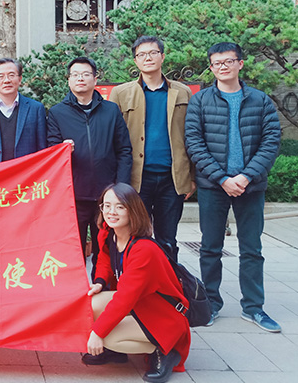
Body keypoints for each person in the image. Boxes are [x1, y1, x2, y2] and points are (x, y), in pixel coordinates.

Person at [185, 42, 282, 332]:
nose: (223, 67)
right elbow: (194, 143)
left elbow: (271, 141)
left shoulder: (260, 100)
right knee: (210, 248)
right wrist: (222, 178)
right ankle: (211, 304)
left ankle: (253, 307)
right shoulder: (200, 101)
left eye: (228, 61)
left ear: (240, 63)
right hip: (213, 186)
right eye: (217, 63)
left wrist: (246, 176)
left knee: (252, 248)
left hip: (250, 187)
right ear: (211, 67)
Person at [84, 183, 190, 383]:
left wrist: (97, 333)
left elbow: (124, 299)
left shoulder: (144, 250)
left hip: (162, 314)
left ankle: (165, 349)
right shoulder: (109, 232)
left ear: (132, 210)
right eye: (106, 205)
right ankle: (117, 353)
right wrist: (99, 282)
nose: (111, 212)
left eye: (119, 206)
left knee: (108, 337)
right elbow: (104, 259)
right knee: (91, 304)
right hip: (140, 304)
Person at [109, 36, 195, 261]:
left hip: (172, 179)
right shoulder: (121, 93)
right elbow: (114, 139)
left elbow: (193, 137)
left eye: (153, 53)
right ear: (135, 61)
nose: (147, 58)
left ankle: (169, 281)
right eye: (142, 54)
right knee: (136, 236)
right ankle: (136, 280)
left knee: (168, 239)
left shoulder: (182, 92)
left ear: (162, 57)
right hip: (137, 179)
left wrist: (192, 177)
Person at [47, 57, 132, 271]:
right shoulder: (57, 113)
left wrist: (120, 188)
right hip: (73, 194)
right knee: (71, 249)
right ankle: (74, 290)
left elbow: (124, 150)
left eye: (86, 74)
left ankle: (102, 286)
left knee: (104, 249)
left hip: (107, 195)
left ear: (95, 79)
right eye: (75, 75)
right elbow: (50, 153)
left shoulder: (111, 110)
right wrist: (62, 150)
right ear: (68, 80)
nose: (80, 79)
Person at [0, 58, 47, 168]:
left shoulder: (36, 109)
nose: (6, 80)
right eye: (1, 76)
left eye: (11, 75)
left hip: (26, 174)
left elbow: (42, 149)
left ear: (20, 79)